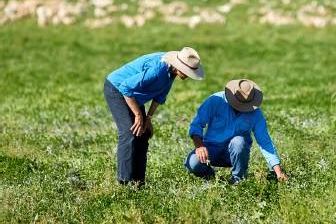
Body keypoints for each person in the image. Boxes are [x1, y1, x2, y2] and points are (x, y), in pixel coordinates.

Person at [104, 47, 204, 187]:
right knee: (129, 131)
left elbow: (160, 95)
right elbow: (126, 88)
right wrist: (139, 115)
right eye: (188, 72)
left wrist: (148, 118)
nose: (188, 76)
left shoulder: (171, 72)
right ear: (180, 66)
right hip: (117, 89)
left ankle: (139, 182)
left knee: (144, 133)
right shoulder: (158, 70)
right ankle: (124, 182)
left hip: (134, 95)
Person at [185, 78, 287, 184]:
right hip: (211, 149)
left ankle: (238, 180)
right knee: (193, 163)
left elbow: (265, 142)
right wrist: (199, 146)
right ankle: (213, 178)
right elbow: (197, 124)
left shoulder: (255, 113)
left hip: (235, 155)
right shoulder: (214, 100)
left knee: (239, 141)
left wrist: (278, 173)